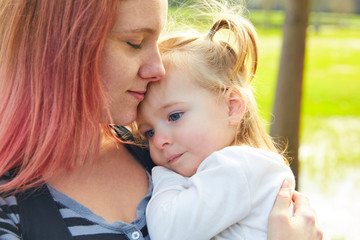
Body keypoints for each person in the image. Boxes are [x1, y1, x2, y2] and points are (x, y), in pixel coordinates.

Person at [0, 0, 322, 239]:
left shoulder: (170, 158)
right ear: (62, 46)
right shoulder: (11, 204)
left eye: (156, 41)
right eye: (135, 43)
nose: (158, 69)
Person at [135, 14, 317, 240]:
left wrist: (163, 177)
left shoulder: (235, 167)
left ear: (231, 107)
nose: (159, 140)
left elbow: (167, 231)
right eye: (149, 132)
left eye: (174, 116)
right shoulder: (242, 169)